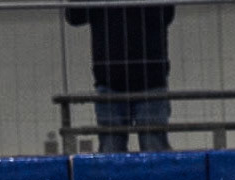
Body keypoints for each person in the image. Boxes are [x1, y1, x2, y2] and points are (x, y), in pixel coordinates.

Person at [65, 4, 175, 153]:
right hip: (134, 78)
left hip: (133, 78)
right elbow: (74, 16)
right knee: (138, 148)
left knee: (144, 147)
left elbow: (165, 14)